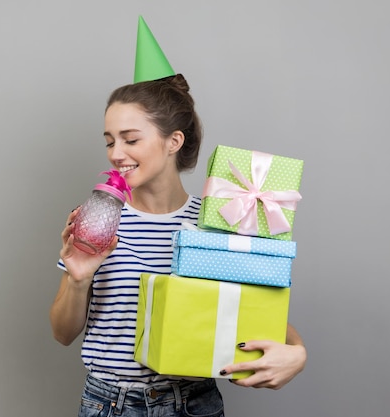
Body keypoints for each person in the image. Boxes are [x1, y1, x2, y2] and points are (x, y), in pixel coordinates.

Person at [50, 17, 306, 417]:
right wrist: (77, 278)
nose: (116, 152)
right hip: (110, 404)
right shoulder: (97, 219)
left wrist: (297, 352)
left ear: (174, 141)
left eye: (131, 139)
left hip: (193, 404)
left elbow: (252, 307)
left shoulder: (214, 224)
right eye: (109, 141)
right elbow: (63, 333)